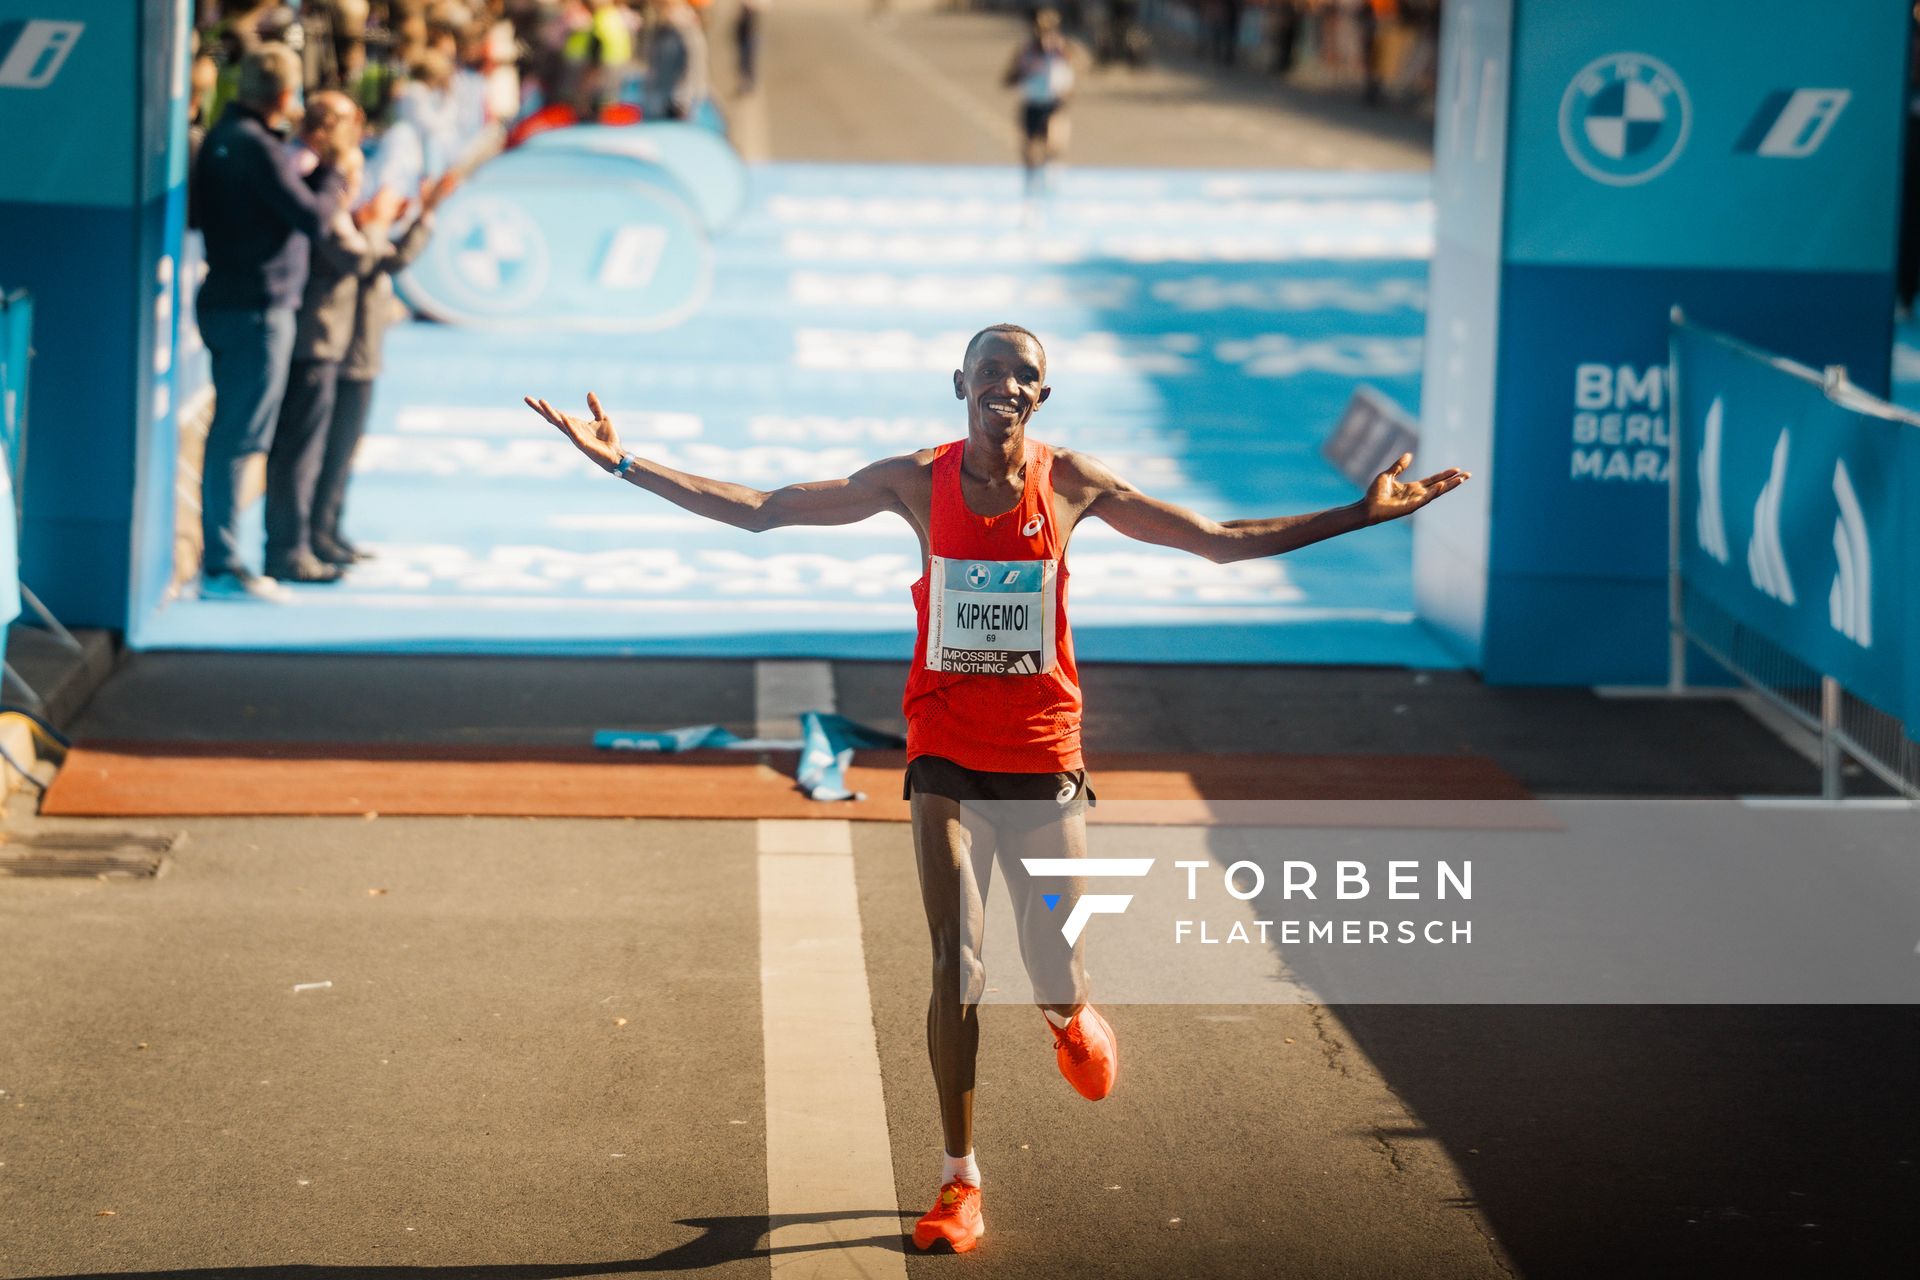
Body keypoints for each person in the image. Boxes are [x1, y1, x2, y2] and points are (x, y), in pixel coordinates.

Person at [524, 324, 1469, 1254]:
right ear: (960, 385)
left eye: (1024, 377)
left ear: (1040, 398)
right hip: (942, 743)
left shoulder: (1072, 484)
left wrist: (1357, 513)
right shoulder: (913, 481)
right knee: (955, 964)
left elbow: (1216, 541)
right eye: (990, 373)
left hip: (1043, 752)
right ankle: (958, 1177)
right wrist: (623, 464)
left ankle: (1067, 1013)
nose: (1005, 388)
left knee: (1053, 969)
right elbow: (766, 507)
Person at [190, 42, 342, 601]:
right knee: (237, 437)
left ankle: (222, 558)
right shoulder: (259, 148)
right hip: (257, 308)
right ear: (284, 95)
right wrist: (332, 172)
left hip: (225, 299)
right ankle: (223, 564)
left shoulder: (220, 141)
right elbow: (312, 218)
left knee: (232, 433)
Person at [312, 172, 457, 566]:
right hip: (348, 363)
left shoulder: (364, 234)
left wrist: (417, 215)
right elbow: (388, 259)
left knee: (343, 454)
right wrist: (406, 217)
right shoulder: (354, 234)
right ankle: (318, 533)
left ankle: (330, 530)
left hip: (361, 361)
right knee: (331, 454)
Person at [1002, 9, 1079, 197]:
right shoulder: (1025, 51)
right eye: (1041, 29)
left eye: (1050, 29)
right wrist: (1024, 71)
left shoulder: (1063, 48)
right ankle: (1029, 185)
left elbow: (1079, 67)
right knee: (1029, 150)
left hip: (1054, 104)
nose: (1046, 34)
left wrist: (1069, 81)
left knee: (1054, 144)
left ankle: (1050, 182)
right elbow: (1008, 79)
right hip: (1032, 104)